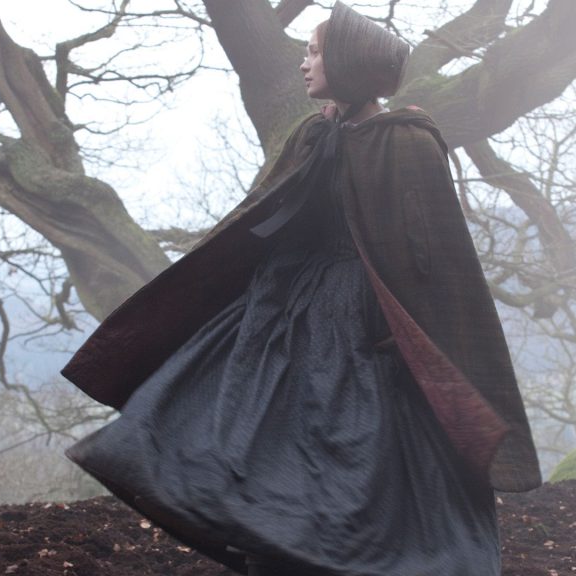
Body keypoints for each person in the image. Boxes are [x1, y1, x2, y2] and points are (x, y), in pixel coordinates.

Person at [62, 3, 540, 575]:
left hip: (365, 323)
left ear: (348, 60)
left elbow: (435, 259)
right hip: (281, 312)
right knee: (237, 427)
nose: (305, 63)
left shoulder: (406, 141)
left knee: (351, 452)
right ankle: (274, 547)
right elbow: (259, 212)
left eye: (315, 51)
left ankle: (343, 556)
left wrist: (400, 333)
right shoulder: (315, 132)